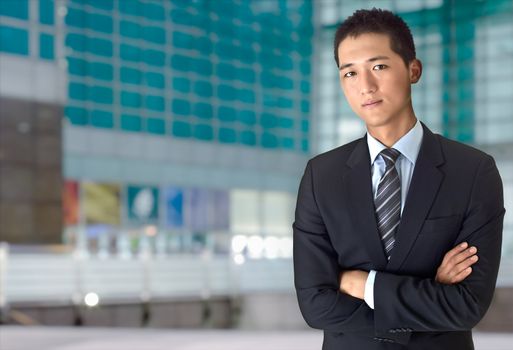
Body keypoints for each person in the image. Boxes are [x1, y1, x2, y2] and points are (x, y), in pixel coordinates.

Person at [293, 8, 505, 350]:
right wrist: (430, 291)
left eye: (379, 66)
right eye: (349, 73)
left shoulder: (473, 171)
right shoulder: (322, 176)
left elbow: (468, 305)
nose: (365, 86)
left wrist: (363, 285)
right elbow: (315, 305)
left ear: (413, 70)